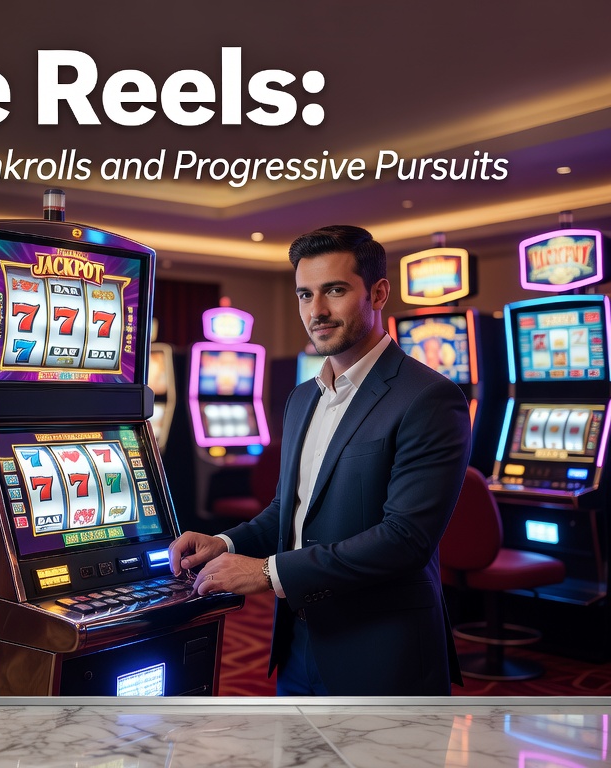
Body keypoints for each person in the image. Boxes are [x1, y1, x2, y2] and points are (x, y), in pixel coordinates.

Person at [169, 224, 470, 695]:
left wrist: (267, 571)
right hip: (297, 641)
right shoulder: (301, 398)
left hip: (381, 651)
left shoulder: (428, 398)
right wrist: (226, 542)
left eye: (334, 290)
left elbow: (405, 540)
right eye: (305, 295)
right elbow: (290, 511)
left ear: (378, 292)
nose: (318, 311)